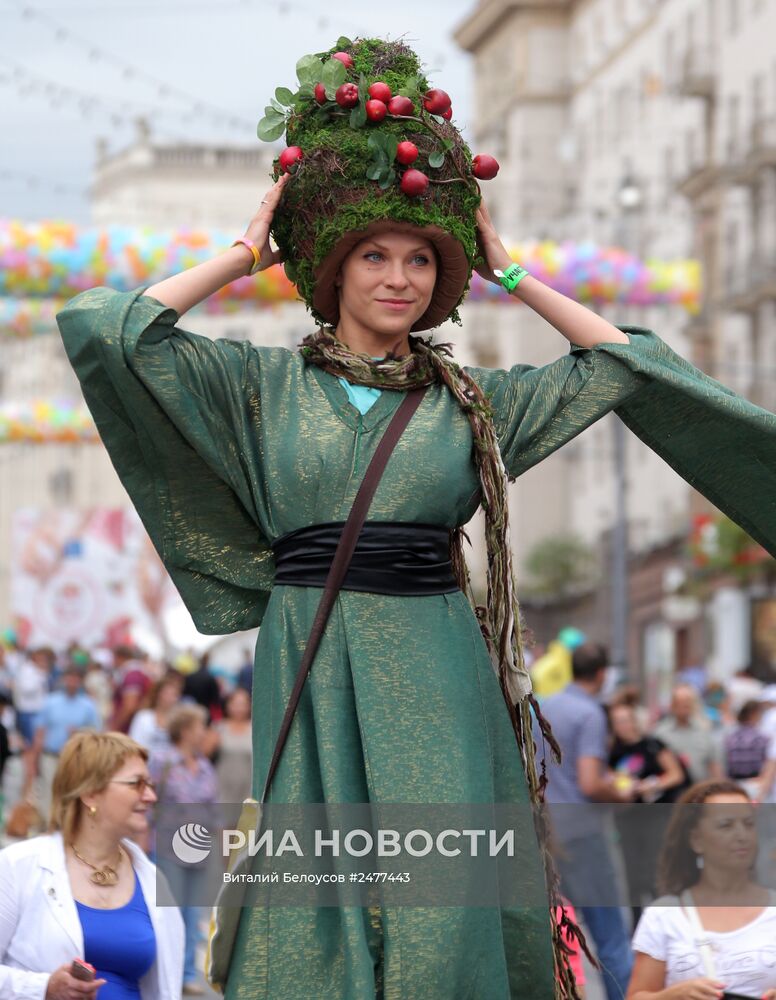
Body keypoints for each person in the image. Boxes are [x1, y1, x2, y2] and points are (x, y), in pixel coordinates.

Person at [56, 36, 776, 1000]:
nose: (398, 277)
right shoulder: (257, 385)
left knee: (443, 916)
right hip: (306, 646)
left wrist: (511, 273)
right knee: (317, 911)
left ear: (445, 278)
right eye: (371, 256)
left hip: (438, 658)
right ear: (332, 270)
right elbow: (113, 330)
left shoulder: (476, 401)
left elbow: (627, 364)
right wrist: (242, 253)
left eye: (420, 260)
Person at [0, 730, 184, 998]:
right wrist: (43, 988)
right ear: (90, 794)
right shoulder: (19, 866)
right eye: (136, 784)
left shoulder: (151, 878)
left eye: (150, 785)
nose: (150, 796)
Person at [538, 641, 636, 1000]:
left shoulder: (545, 707)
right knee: (611, 938)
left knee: (561, 934)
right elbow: (591, 782)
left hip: (549, 834)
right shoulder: (590, 713)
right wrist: (623, 795)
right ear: (601, 674)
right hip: (583, 835)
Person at [626, 780, 776, 999]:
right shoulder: (663, 915)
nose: (742, 835)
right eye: (726, 825)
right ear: (695, 839)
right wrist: (672, 996)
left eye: (749, 824)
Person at [149, 703, 218, 996]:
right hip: (167, 847)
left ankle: (187, 972)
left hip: (199, 848)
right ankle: (163, 971)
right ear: (186, 730)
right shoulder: (162, 761)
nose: (204, 732)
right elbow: (147, 801)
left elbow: (214, 807)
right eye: (200, 727)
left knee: (193, 913)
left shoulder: (204, 765)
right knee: (169, 911)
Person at [608, 700, 691, 923]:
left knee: (655, 867)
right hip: (628, 816)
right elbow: (606, 779)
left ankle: (662, 917)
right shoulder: (612, 752)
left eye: (626, 720)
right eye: (617, 722)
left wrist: (652, 785)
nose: (623, 726)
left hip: (656, 815)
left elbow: (676, 775)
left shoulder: (653, 745)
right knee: (632, 872)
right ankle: (638, 924)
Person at [33, 665, 101, 823]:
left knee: (70, 792)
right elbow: (40, 731)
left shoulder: (87, 706)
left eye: (76, 678)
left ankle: (65, 825)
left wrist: (79, 732)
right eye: (70, 678)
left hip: (73, 757)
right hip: (50, 754)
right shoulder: (51, 701)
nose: (72, 682)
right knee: (48, 791)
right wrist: (35, 757)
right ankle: (48, 825)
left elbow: (95, 733)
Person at [653, 684, 724, 784]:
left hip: (699, 788)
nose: (683, 706)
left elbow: (714, 764)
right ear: (672, 705)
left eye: (687, 702)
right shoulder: (659, 734)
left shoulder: (704, 731)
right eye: (679, 703)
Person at [128, 670, 185, 755]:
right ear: (158, 694)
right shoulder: (143, 717)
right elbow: (134, 745)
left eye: (175, 695)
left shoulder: (178, 722)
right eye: (167, 693)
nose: (170, 698)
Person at [213, 686, 253, 804]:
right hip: (223, 789)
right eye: (236, 704)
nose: (239, 708)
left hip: (248, 790)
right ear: (228, 705)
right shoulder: (218, 728)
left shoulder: (255, 730)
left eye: (243, 704)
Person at [724, 699, 770, 784]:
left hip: (734, 781)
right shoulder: (761, 738)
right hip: (755, 782)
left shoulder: (730, 736)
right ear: (754, 714)